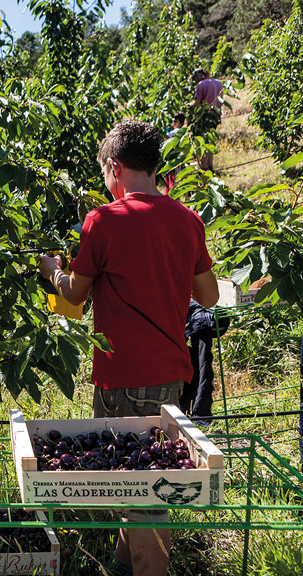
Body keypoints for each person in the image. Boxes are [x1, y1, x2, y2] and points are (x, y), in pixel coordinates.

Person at [38, 120, 219, 576]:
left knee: (142, 490)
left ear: (114, 168)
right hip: (172, 373)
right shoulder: (187, 219)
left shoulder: (103, 220)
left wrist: (51, 272)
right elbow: (210, 296)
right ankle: (125, 565)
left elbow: (75, 295)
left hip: (125, 375)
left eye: (104, 172)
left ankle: (147, 568)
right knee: (140, 477)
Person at [188, 68, 223, 171]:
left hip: (204, 117)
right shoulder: (219, 83)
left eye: (195, 77)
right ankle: (210, 165)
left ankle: (204, 167)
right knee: (210, 140)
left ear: (200, 75)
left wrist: (190, 108)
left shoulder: (201, 85)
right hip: (215, 115)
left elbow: (197, 103)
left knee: (202, 141)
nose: (195, 80)